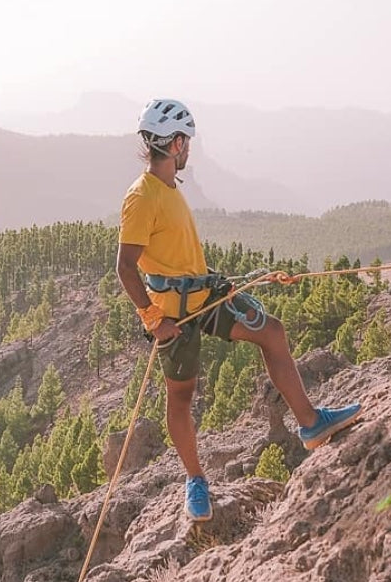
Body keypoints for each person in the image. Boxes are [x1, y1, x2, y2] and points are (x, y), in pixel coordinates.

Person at [116, 98, 362, 521]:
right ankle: (195, 480)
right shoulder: (142, 197)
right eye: (186, 142)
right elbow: (124, 266)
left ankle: (311, 424)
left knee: (272, 331)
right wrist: (153, 319)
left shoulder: (169, 188)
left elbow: (175, 253)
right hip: (175, 315)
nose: (189, 149)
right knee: (181, 396)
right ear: (175, 144)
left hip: (203, 296)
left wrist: (218, 283)